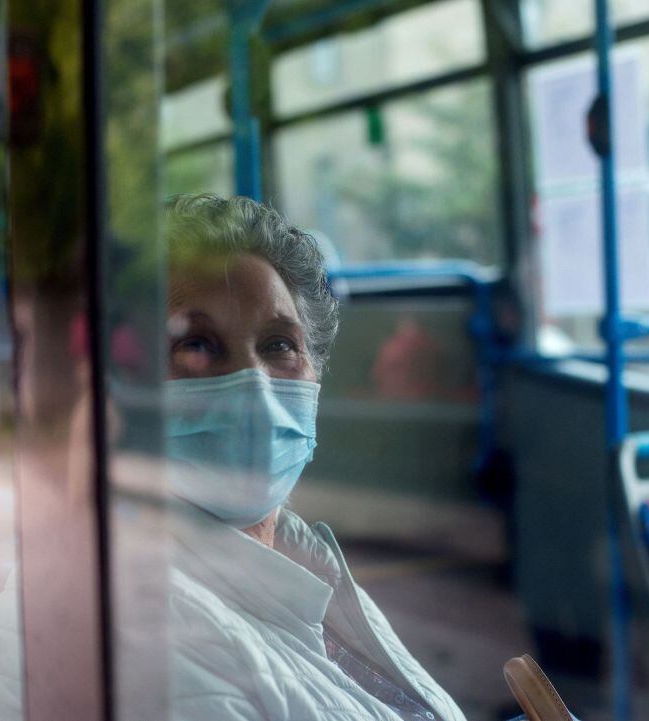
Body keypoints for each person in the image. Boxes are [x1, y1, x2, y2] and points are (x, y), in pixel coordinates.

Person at [164, 193, 465, 721]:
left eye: (279, 345)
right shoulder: (155, 634)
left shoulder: (304, 567)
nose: (255, 394)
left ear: (316, 369)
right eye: (199, 345)